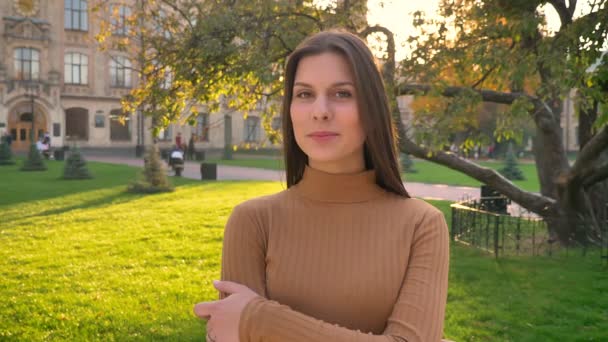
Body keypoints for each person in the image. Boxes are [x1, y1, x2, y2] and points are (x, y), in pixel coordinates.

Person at [194, 30, 450, 342]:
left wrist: (258, 320)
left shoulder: (421, 225)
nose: (320, 111)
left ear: (372, 107)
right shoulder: (253, 222)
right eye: (304, 94)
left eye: (342, 93)